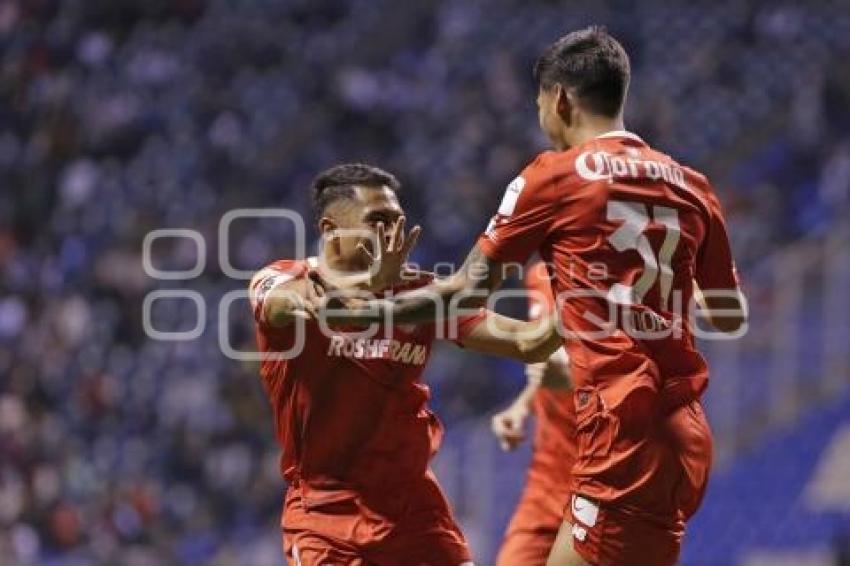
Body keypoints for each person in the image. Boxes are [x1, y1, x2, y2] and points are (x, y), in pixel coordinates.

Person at [311, 27, 747, 566]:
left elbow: (467, 289)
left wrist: (371, 311)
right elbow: (729, 315)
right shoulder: (693, 184)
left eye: (540, 104)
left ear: (560, 99)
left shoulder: (555, 176)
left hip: (623, 427)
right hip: (686, 432)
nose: (541, 120)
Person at [248, 163, 562, 566]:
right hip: (326, 516)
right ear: (330, 230)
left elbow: (528, 341)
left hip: (414, 511)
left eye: (397, 221)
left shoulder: (418, 294)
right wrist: (372, 286)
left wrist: (589, 301)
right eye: (377, 221)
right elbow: (322, 309)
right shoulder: (281, 279)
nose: (392, 235)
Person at [491, 258, 576, 566]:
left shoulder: (623, 277)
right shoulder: (539, 275)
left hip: (606, 475)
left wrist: (569, 378)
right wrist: (523, 404)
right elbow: (551, 357)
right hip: (548, 476)